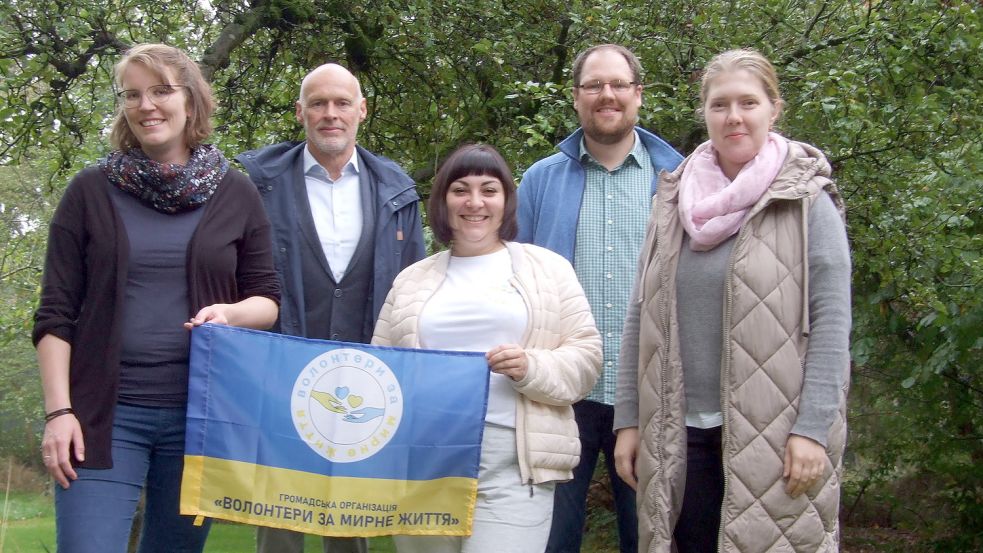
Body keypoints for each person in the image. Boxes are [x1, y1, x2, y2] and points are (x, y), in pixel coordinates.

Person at [33, 43, 281, 553]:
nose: (146, 105)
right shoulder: (88, 193)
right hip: (102, 417)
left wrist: (231, 313)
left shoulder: (237, 193)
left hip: (200, 420)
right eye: (132, 95)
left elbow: (268, 300)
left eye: (161, 91)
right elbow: (55, 314)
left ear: (190, 100)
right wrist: (59, 414)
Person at [613, 48, 852, 552]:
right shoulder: (673, 200)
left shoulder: (806, 200)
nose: (734, 117)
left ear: (774, 109)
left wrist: (812, 428)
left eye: (748, 102)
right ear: (704, 113)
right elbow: (642, 315)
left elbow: (831, 325)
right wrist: (630, 421)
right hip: (679, 436)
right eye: (720, 104)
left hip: (776, 438)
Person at [372, 144, 602, 553]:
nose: (474, 202)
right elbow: (381, 375)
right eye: (460, 189)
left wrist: (529, 366)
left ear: (506, 200)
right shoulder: (411, 281)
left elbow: (586, 361)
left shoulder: (547, 269)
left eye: (489, 189)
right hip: (426, 462)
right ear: (442, 201)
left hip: (515, 461)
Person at [235, 62, 426, 553]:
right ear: (300, 112)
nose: (330, 114)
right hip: (278, 382)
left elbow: (414, 291)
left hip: (366, 385)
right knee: (278, 525)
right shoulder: (258, 186)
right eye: (318, 103)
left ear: (362, 110)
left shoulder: (398, 190)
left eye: (342, 102)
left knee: (349, 529)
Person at [516, 43, 683, 553]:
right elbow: (513, 282)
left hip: (651, 389)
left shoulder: (679, 180)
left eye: (617, 84)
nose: (606, 95)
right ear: (575, 97)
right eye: (593, 85)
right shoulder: (540, 181)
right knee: (552, 537)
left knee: (651, 536)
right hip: (562, 392)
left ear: (638, 94)